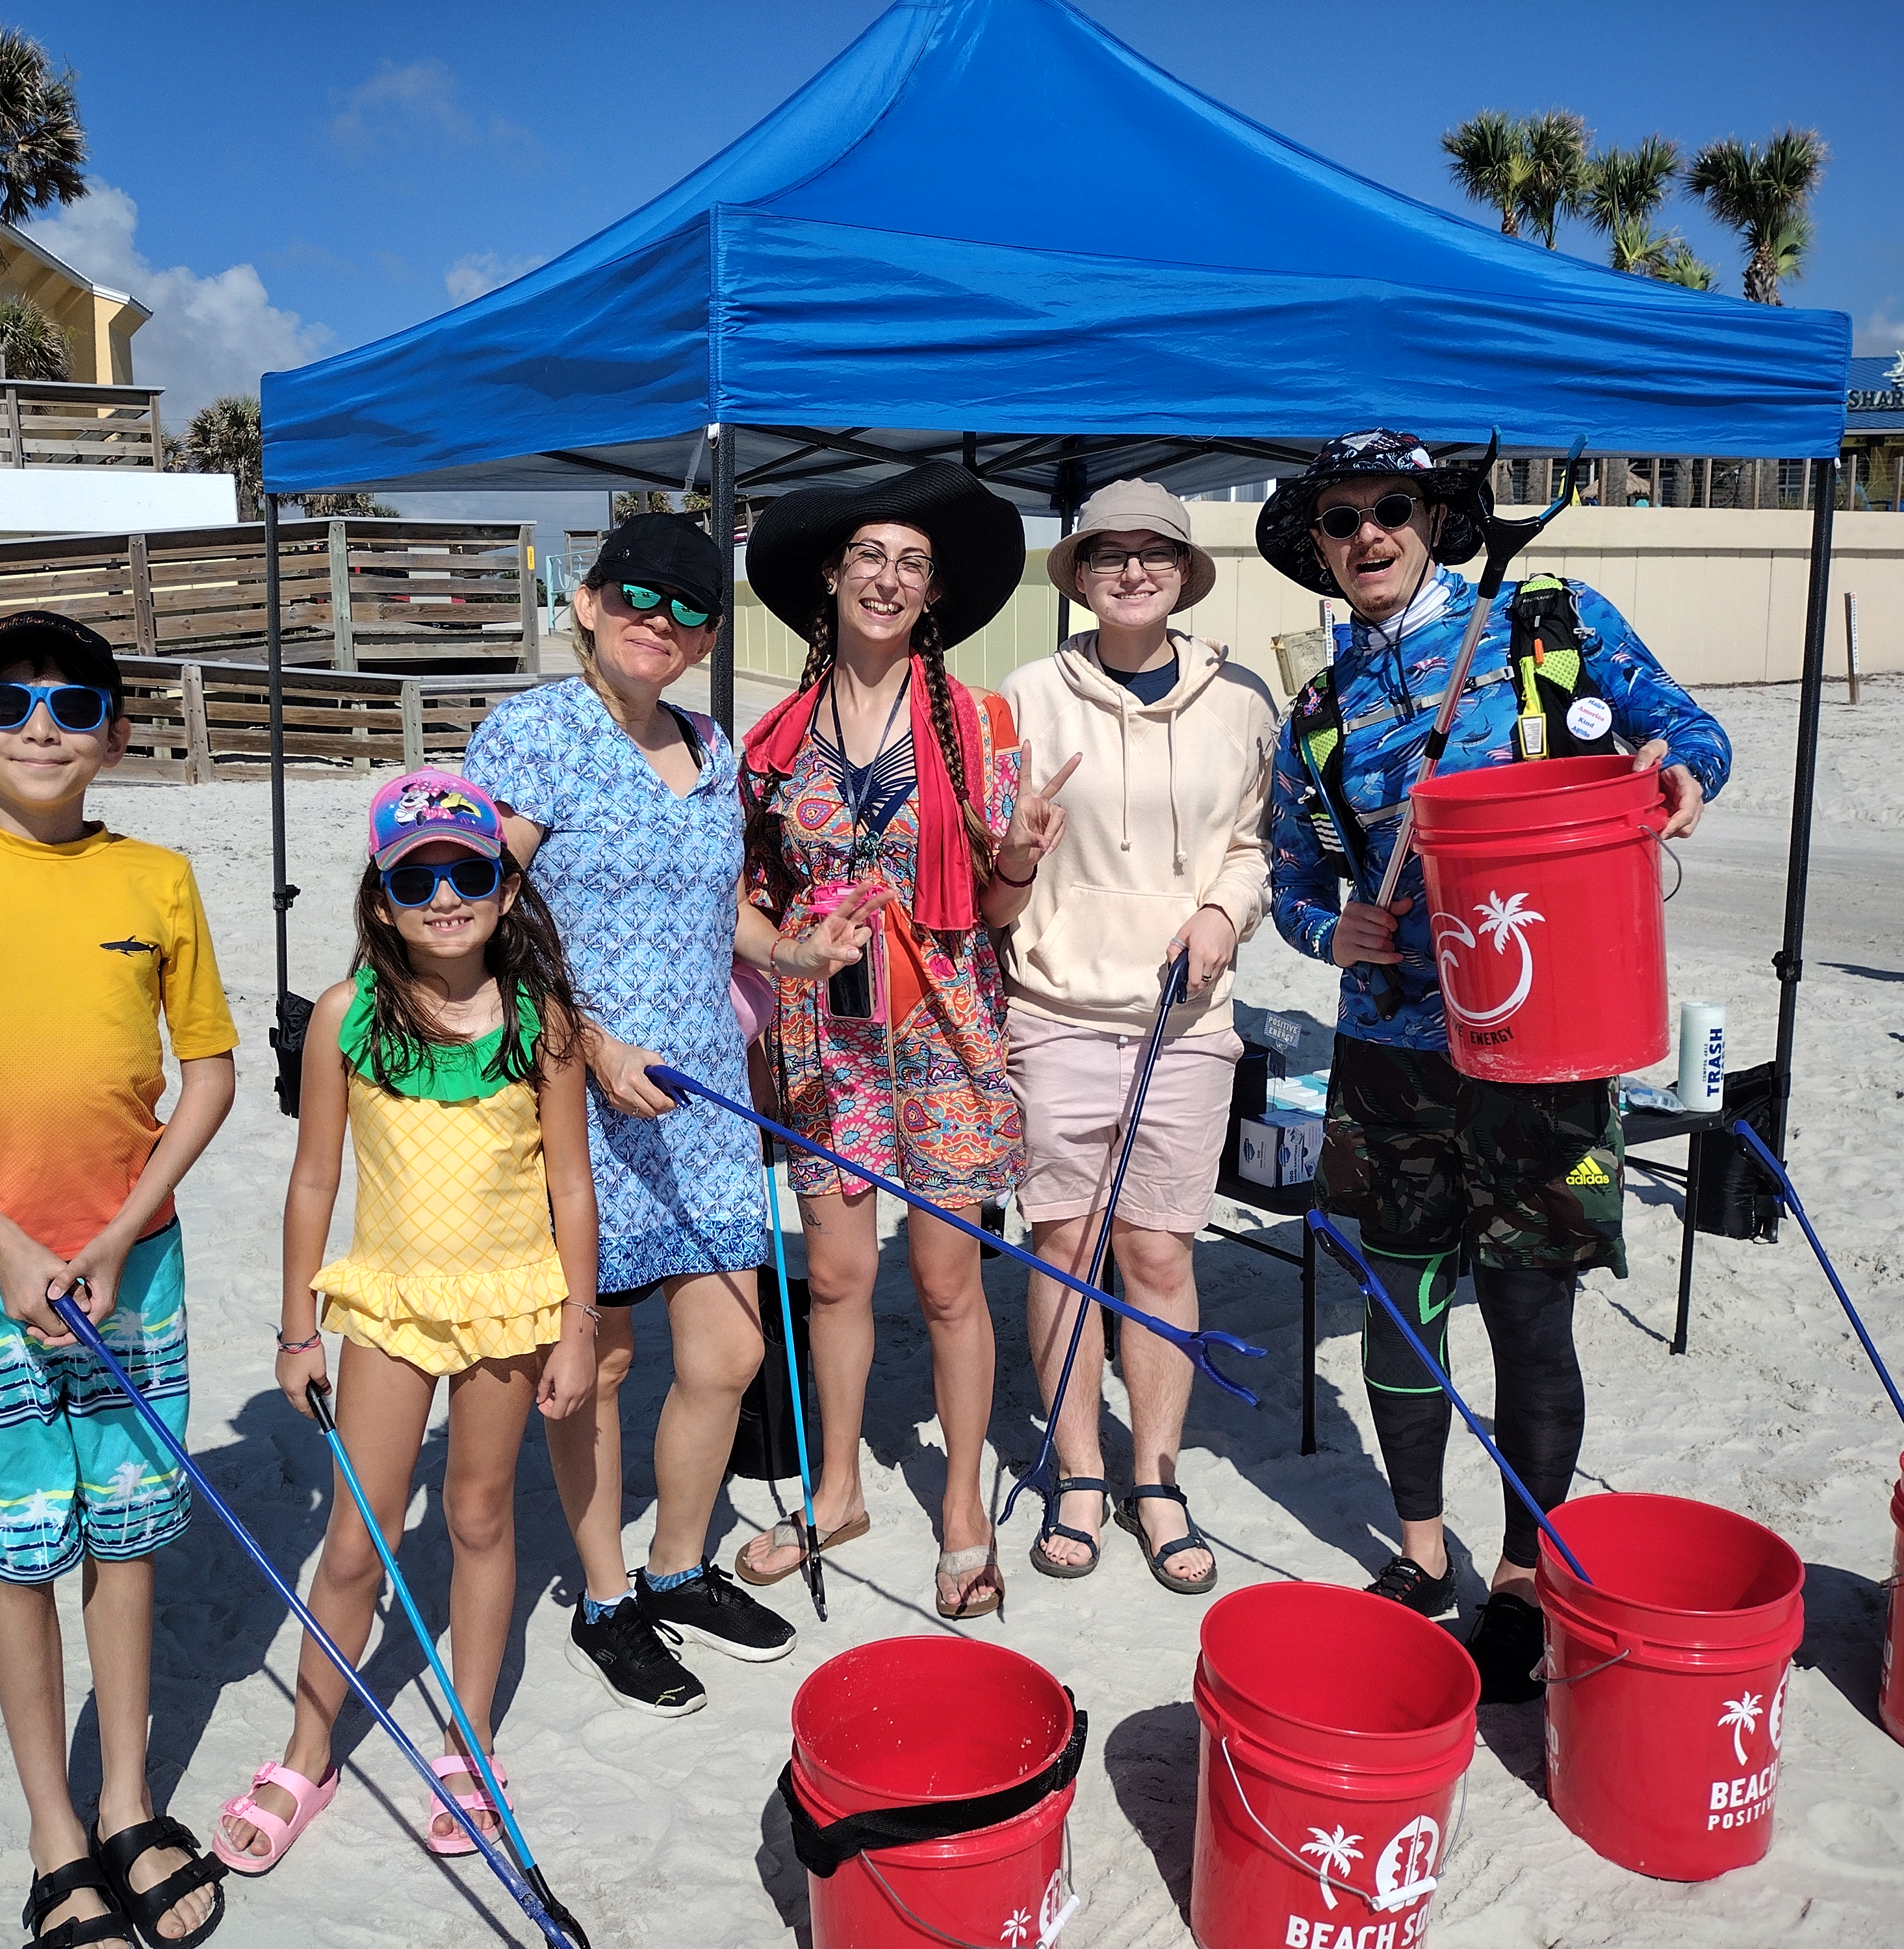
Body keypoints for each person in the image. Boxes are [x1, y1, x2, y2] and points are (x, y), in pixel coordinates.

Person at [1259, 431, 1732, 1701]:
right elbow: (1290, 879)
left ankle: (1523, 1575)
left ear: (1434, 517)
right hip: (1391, 1056)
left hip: (1548, 1042)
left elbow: (1691, 735)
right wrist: (1326, 929)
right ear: (1311, 542)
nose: (1364, 534)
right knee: (1398, 1307)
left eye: (1389, 510)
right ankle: (1418, 1559)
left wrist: (1671, 773)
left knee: (1528, 1314)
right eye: (1337, 517)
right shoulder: (1312, 709)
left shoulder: (1545, 623)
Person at [0, 611, 234, 1948]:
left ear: (118, 732)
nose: (41, 727)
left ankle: (125, 1802)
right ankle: (53, 1829)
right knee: (21, 1548)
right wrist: (2, 1241)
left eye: (74, 703)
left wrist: (122, 1230)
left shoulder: (160, 880)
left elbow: (211, 1074)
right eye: (4, 703)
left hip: (136, 1263)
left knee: (124, 1542)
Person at [460, 515, 875, 1718]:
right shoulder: (536, 732)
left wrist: (792, 951)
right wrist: (585, 1042)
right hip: (571, 1097)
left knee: (733, 1352)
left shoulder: (712, 744)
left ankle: (678, 1564)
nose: (663, 620)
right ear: (585, 604)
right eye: (636, 596)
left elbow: (713, 908)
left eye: (690, 609)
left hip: (698, 1095)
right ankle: (605, 1597)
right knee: (606, 1360)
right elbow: (474, 910)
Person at [213, 772, 601, 1870]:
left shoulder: (547, 1026)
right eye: (417, 876)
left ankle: (468, 1740)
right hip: (386, 1306)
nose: (445, 896)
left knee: (479, 1518)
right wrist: (299, 1328)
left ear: (504, 888)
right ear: (381, 898)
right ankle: (306, 1749)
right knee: (357, 1538)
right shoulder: (348, 1016)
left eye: (467, 873)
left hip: (510, 1304)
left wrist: (575, 1328)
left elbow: (572, 1188)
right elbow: (312, 1180)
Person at [734, 463, 1059, 1621]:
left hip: (949, 1032)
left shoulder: (980, 727)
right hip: (829, 1036)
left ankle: (962, 1507)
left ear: (934, 596)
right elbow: (742, 893)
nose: (889, 578)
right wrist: (781, 954)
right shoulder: (770, 739)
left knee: (946, 1281)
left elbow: (1004, 907)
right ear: (829, 578)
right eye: (869, 556)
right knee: (835, 1279)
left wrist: (1017, 850)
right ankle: (838, 1492)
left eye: (912, 565)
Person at [999, 478, 1278, 1594]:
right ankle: (1077, 1473)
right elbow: (995, 879)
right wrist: (1015, 848)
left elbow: (1259, 846)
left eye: (1151, 552)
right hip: (1056, 1012)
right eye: (1106, 553)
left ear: (1181, 570)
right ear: (1077, 575)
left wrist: (1223, 912)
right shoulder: (1025, 695)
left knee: (1159, 1252)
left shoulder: (1243, 698)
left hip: (1189, 1020)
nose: (1130, 569)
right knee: (1064, 1248)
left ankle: (1154, 1474)